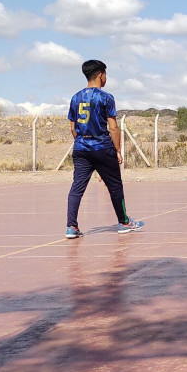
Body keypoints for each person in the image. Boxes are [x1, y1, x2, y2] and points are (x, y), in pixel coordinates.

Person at [65, 59, 144, 238]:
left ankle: (71, 226)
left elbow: (72, 128)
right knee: (115, 185)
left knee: (77, 187)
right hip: (102, 146)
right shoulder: (106, 97)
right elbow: (113, 127)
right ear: (101, 75)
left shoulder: (75, 98)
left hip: (81, 148)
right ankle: (124, 222)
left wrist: (82, 144)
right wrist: (117, 150)